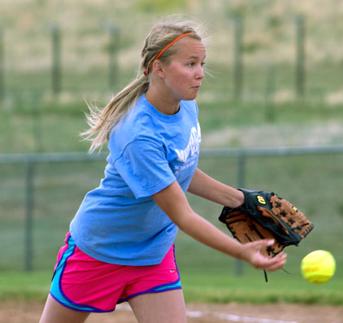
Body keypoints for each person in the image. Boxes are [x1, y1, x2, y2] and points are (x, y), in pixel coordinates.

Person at [39, 18, 287, 323]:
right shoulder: (137, 134)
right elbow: (182, 215)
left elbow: (179, 171)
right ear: (159, 67)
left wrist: (239, 199)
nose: (200, 74)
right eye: (190, 64)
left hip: (152, 253)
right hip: (100, 250)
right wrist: (242, 252)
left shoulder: (186, 107)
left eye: (202, 63)